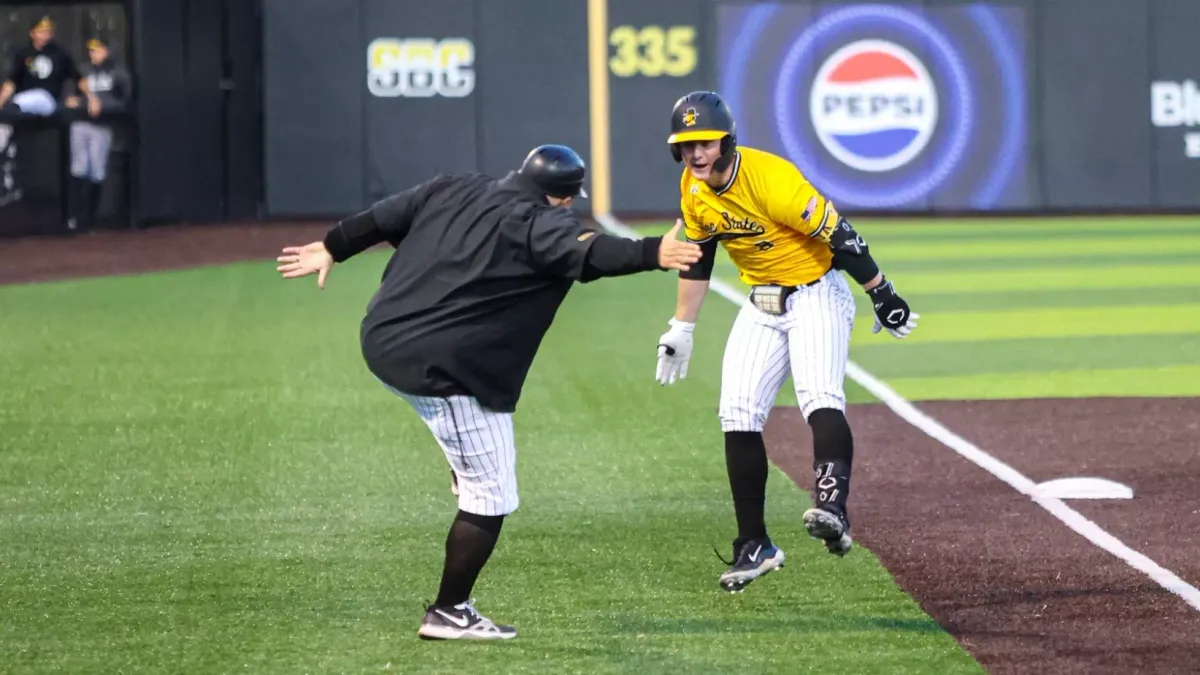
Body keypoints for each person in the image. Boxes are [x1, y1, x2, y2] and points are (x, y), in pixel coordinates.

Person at [275, 144, 702, 640]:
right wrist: (656, 253)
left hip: (382, 339)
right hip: (442, 368)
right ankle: (449, 612)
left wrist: (331, 247)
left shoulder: (451, 186)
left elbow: (379, 217)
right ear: (564, 198)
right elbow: (594, 251)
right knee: (492, 494)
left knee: (469, 452)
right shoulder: (543, 222)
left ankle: (461, 471)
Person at [653, 91, 919, 593]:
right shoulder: (694, 187)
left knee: (819, 395)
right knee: (736, 413)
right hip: (762, 301)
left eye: (704, 142)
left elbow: (841, 235)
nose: (695, 153)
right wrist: (682, 326)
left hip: (816, 293)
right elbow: (699, 256)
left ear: (727, 141)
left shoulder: (772, 180)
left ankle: (832, 507)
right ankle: (755, 544)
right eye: (686, 145)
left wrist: (882, 292)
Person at [64, 35, 133, 231]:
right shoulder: (83, 70)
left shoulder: (117, 73)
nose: (93, 53)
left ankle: (91, 219)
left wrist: (102, 104)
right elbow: (70, 94)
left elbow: (125, 101)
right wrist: (75, 100)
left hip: (102, 126)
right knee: (78, 168)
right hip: (81, 123)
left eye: (97, 49)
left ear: (107, 51)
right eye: (91, 50)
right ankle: (73, 218)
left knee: (97, 171)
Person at [0, 16, 84, 116]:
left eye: (48, 32)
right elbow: (12, 81)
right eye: (41, 32)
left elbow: (78, 78)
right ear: (32, 33)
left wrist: (79, 97)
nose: (45, 36)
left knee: (40, 95)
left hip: (50, 102)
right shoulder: (23, 53)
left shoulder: (60, 53)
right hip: (23, 104)